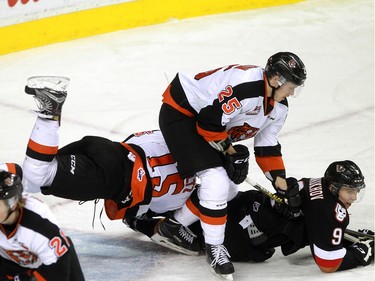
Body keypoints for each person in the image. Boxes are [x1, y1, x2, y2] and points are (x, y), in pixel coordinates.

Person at [157, 52, 307, 278]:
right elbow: (208, 122)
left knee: (229, 187)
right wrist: (231, 152)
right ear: (276, 80)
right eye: (291, 87)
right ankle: (215, 248)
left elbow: (267, 145)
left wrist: (281, 183)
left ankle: (174, 226)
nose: (292, 93)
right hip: (182, 114)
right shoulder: (246, 87)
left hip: (207, 123)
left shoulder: (278, 107)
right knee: (215, 179)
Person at [20, 76, 201, 255]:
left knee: (29, 181)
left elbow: (136, 138)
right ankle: (51, 109)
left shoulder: (181, 139)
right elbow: (144, 216)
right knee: (38, 174)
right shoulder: (182, 198)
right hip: (111, 176)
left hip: (104, 147)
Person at [0, 169, 85, 281]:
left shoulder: (37, 224)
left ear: (13, 204)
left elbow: (59, 266)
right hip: (11, 266)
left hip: (51, 265)